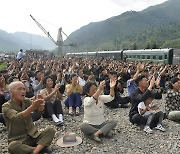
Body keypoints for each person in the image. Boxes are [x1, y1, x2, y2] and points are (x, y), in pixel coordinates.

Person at [2, 81, 55, 154]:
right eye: (20, 89)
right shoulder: (6, 106)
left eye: (24, 89)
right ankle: (40, 148)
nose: (23, 91)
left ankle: (34, 151)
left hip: (33, 136)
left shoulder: (26, 101)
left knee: (50, 130)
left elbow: (39, 111)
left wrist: (41, 104)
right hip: (19, 139)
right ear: (11, 92)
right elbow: (17, 118)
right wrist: (33, 106)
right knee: (12, 146)